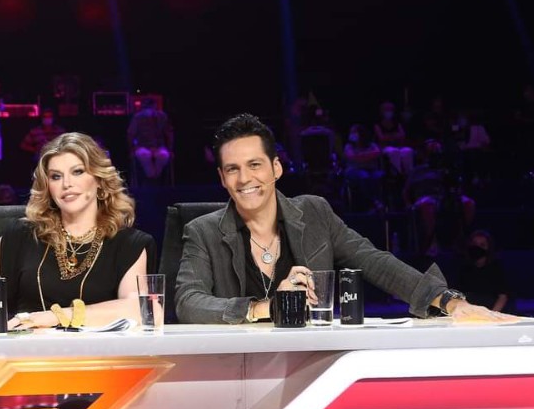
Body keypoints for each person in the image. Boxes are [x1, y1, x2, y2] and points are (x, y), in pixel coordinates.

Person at [174, 113, 511, 325]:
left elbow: (375, 262)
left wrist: (448, 300)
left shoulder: (314, 213)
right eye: (232, 169)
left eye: (255, 165)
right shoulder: (202, 231)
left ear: (276, 168)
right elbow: (188, 302)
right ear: (222, 178)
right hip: (234, 367)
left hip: (309, 362)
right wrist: (265, 307)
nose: (245, 178)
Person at [0, 132, 156, 330]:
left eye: (78, 172)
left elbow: (139, 308)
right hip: (25, 353)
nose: (66, 184)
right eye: (56, 176)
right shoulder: (24, 235)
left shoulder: (128, 244)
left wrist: (54, 317)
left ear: (99, 180)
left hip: (97, 355)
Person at [457, 230, 509, 312]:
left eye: (482, 245)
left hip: (492, 311)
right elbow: (457, 296)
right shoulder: (463, 268)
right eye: (474, 244)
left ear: (489, 248)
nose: (477, 247)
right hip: (468, 312)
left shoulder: (497, 269)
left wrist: (491, 315)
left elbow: (503, 297)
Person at [128, 98, 173, 183]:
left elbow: (168, 132)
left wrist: (170, 148)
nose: (149, 110)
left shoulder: (162, 117)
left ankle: (156, 175)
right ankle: (151, 176)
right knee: (144, 155)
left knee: (163, 155)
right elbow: (131, 134)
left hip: (159, 146)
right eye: (147, 107)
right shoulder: (137, 118)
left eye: (151, 107)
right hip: (142, 146)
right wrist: (132, 148)